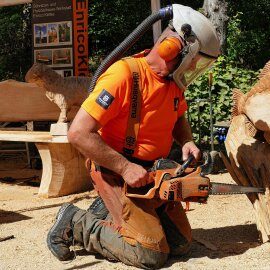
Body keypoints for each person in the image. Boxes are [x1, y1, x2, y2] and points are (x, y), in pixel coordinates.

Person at [46, 4, 220, 269]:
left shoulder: (173, 82)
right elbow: (78, 133)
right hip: (116, 171)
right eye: (195, 61)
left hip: (152, 174)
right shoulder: (124, 75)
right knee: (150, 253)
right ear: (172, 48)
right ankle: (75, 221)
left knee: (181, 244)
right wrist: (125, 167)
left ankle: (111, 212)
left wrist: (187, 141)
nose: (194, 68)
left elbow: (177, 116)